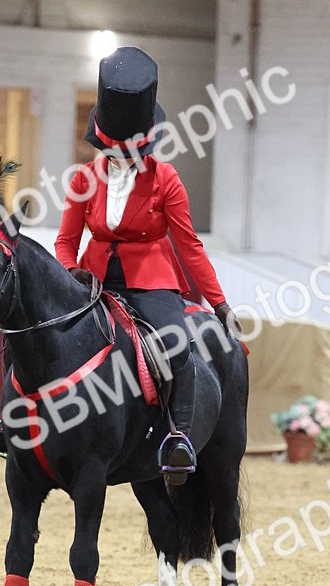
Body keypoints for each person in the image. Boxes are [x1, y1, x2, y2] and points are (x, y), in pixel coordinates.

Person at [55, 45, 243, 485]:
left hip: (152, 281)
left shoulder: (166, 179)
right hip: (93, 281)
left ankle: (177, 436)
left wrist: (218, 304)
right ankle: (18, 423)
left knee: (177, 343)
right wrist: (70, 271)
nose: (119, 156)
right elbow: (65, 242)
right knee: (43, 333)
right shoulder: (83, 179)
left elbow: (190, 246)